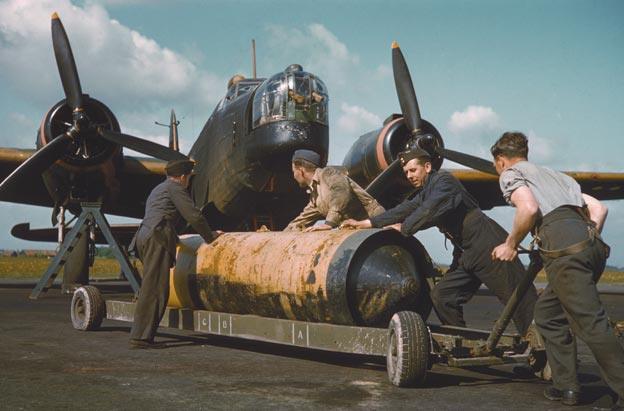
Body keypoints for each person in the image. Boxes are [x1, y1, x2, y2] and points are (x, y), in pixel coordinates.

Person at [341, 148, 537, 336]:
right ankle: (463, 342)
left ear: (427, 167)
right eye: (406, 172)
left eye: (413, 170)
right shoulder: (426, 191)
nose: (409, 176)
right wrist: (366, 223)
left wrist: (404, 228)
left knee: (519, 299)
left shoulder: (444, 182)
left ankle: (541, 358)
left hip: (487, 243)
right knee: (443, 296)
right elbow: (404, 209)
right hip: (465, 251)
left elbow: (429, 210)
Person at [490, 131, 623, 409]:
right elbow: (598, 210)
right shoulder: (558, 176)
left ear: (501, 160)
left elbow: (527, 208)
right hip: (592, 244)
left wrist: (510, 244)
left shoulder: (510, 173)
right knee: (548, 314)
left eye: (495, 164)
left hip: (567, 251)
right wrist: (582, 243)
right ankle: (567, 387)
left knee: (591, 322)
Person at [129, 159, 221, 349]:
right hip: (157, 237)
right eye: (189, 178)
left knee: (150, 285)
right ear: (182, 177)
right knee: (155, 288)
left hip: (144, 235)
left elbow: (160, 215)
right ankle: (140, 338)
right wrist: (210, 237)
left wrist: (176, 240)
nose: (189, 182)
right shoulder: (175, 188)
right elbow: (193, 215)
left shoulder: (159, 189)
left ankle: (141, 335)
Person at [284, 149, 385, 232]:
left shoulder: (328, 173)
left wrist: (328, 223)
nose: (294, 176)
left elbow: (341, 192)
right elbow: (304, 217)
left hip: (376, 223)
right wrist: (284, 233)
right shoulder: (315, 195)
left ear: (301, 170)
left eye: (294, 171)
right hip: (358, 229)